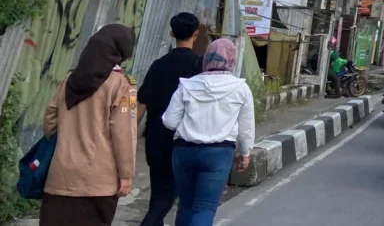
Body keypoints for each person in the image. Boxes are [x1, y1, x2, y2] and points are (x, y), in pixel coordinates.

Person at [40, 24, 137, 226]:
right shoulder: (125, 86)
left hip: (61, 178)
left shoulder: (68, 79)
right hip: (99, 184)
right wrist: (126, 175)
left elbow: (50, 121)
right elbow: (124, 134)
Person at [163, 38, 255, 226]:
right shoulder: (240, 88)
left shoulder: (187, 85)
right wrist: (245, 154)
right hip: (218, 154)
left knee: (185, 205)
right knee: (205, 206)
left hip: (183, 152)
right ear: (232, 60)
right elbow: (246, 128)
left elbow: (169, 121)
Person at [137, 13, 203, 226]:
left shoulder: (159, 64)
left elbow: (142, 103)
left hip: (155, 137)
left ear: (171, 34)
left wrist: (128, 136)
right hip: (185, 139)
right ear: (196, 34)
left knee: (159, 191)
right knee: (170, 195)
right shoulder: (200, 66)